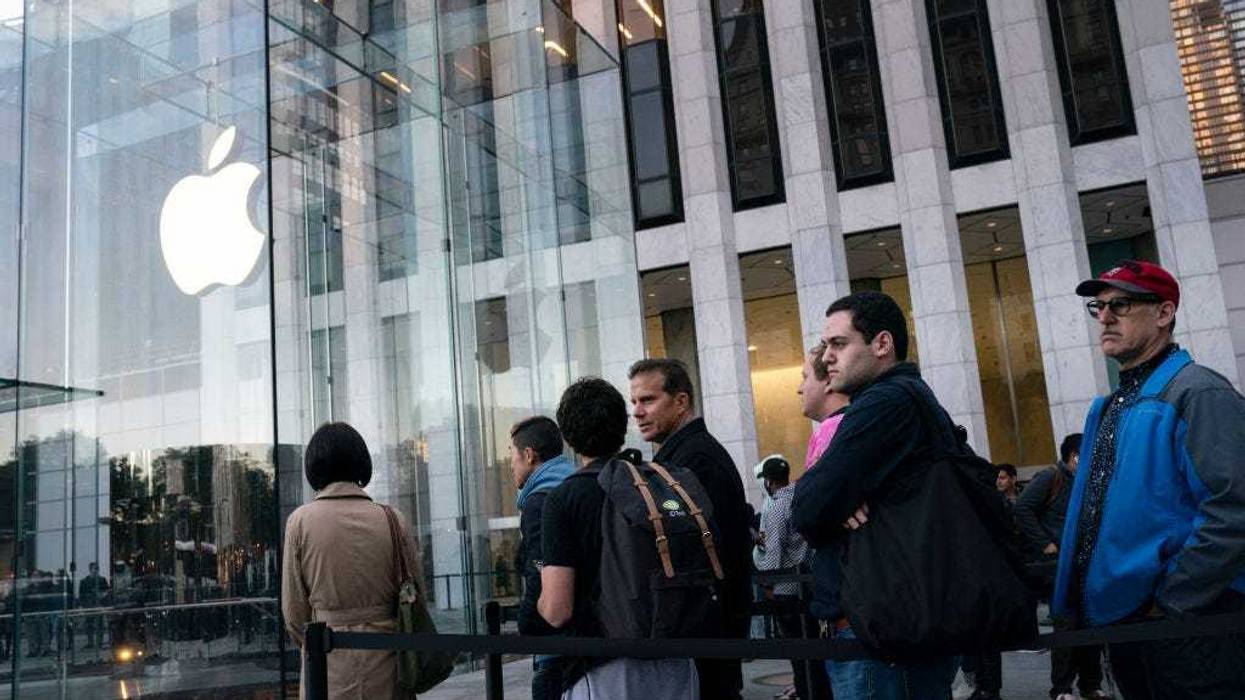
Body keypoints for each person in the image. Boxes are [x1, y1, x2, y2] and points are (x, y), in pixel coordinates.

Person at [1053, 260, 1245, 700]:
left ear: (1163, 313)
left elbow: (1234, 506)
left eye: (1120, 304)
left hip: (1192, 626)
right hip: (1131, 626)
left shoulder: (1198, 391)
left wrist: (1172, 599)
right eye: (1098, 307)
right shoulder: (1112, 404)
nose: (1104, 317)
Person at [792, 290, 958, 700]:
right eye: (827, 345)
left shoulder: (885, 402)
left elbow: (808, 507)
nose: (827, 357)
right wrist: (838, 500)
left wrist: (833, 501)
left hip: (882, 636)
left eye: (839, 343)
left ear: (882, 344)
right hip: (895, 628)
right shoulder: (904, 397)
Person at [539, 377, 697, 699]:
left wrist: (538, 600)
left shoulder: (564, 498)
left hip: (603, 668)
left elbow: (558, 610)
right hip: (678, 659)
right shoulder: (660, 483)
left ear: (568, 437)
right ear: (623, 428)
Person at [628, 358, 753, 700]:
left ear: (681, 401)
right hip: (706, 630)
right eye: (634, 402)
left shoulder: (694, 460)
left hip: (706, 630)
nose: (637, 411)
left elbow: (698, 553)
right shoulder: (683, 455)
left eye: (648, 400)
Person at [282, 422, 421, 699]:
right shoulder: (393, 518)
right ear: (361, 462)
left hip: (328, 665)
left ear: (315, 466)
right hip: (389, 661)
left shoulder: (301, 522)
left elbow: (294, 612)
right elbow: (417, 595)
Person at [1015, 434, 1108, 700]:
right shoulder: (1050, 477)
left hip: (1086, 564)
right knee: (1066, 625)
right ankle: (1062, 688)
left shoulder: (1088, 481)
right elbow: (1022, 509)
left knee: (1090, 624)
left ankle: (1091, 685)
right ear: (1072, 455)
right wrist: (1045, 544)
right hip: (1060, 566)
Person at [509, 415, 574, 700]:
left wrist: (527, 624)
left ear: (529, 455)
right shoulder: (575, 486)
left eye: (512, 454)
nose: (510, 464)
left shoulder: (538, 503)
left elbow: (540, 571)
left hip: (555, 646)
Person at [757, 455, 830, 700]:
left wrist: (767, 583)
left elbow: (774, 549)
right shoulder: (801, 496)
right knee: (814, 646)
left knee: (797, 650)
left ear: (768, 481)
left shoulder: (777, 507)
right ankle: (815, 690)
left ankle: (806, 690)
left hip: (786, 589)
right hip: (810, 582)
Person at [797, 342, 850, 468]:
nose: (799, 389)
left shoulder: (828, 430)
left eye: (805, 377)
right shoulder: (863, 419)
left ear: (829, 380)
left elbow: (814, 487)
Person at [79, 562, 110, 649]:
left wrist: (102, 596)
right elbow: (81, 595)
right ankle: (91, 642)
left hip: (98, 605)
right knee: (89, 625)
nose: (95, 571)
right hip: (89, 605)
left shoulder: (101, 580)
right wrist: (82, 606)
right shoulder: (85, 581)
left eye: (96, 569)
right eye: (94, 569)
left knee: (98, 624)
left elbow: (107, 592)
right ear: (90, 570)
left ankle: (98, 643)